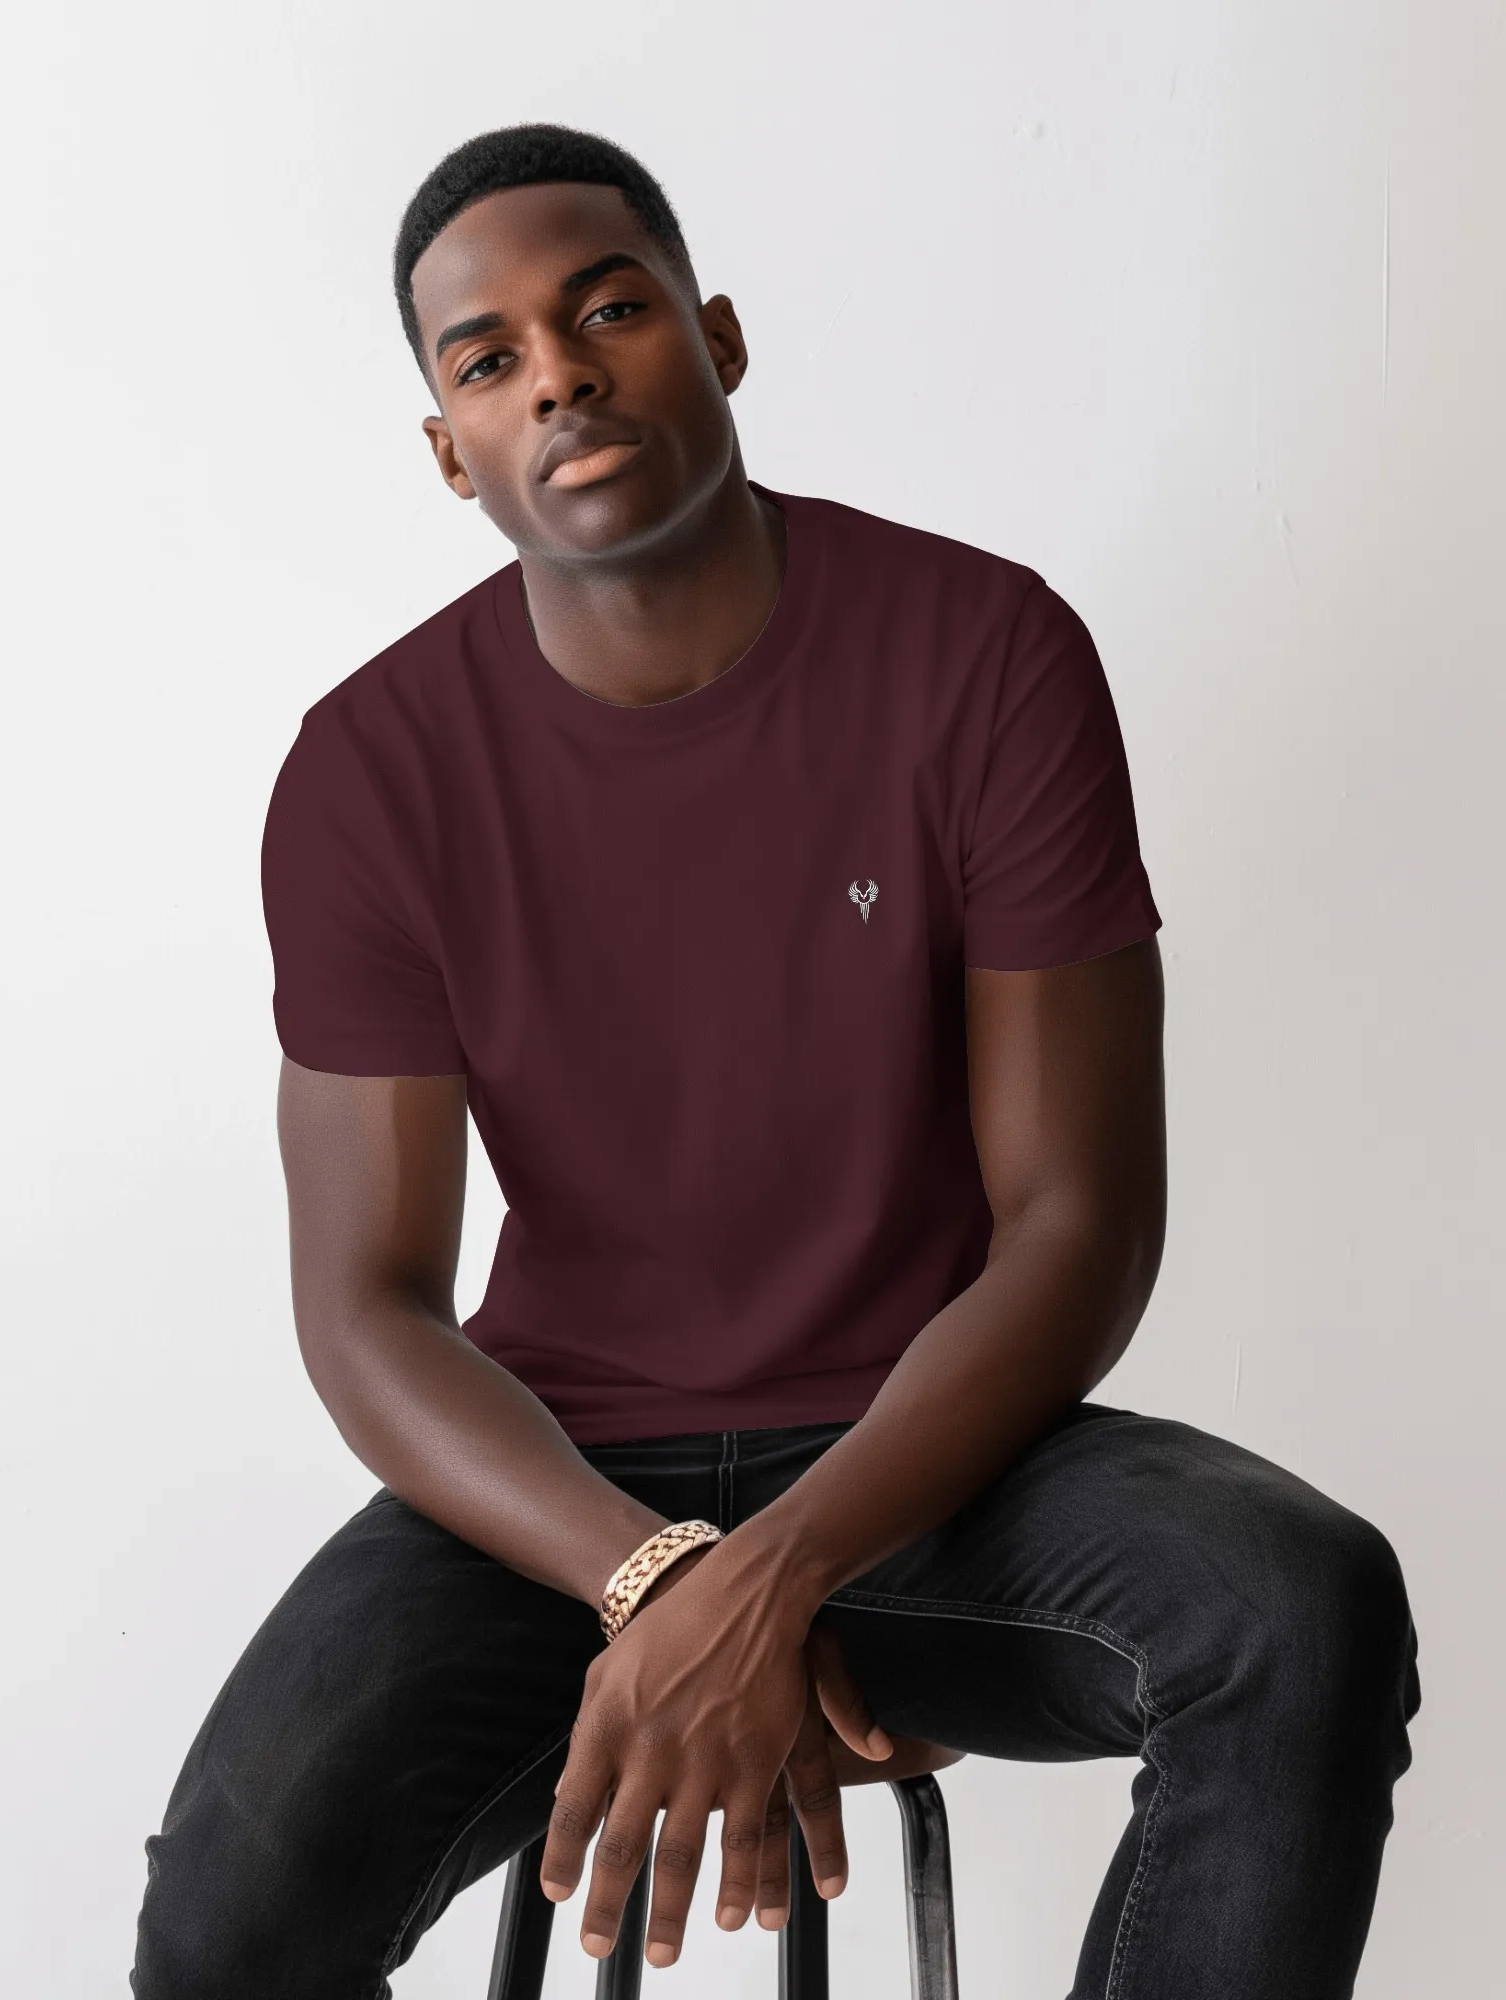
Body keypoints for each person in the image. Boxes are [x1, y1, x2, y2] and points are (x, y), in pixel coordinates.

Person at [130, 123, 1419, 1999]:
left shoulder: (986, 653)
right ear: (451, 450)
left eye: (609, 312)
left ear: (717, 338)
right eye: (489, 359)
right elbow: (366, 1311)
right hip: (557, 1502)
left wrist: (781, 1577)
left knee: (1296, 1610)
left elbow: (1076, 1227)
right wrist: (653, 1584)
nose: (558, 375)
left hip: (937, 1474)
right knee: (228, 1909)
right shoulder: (370, 772)